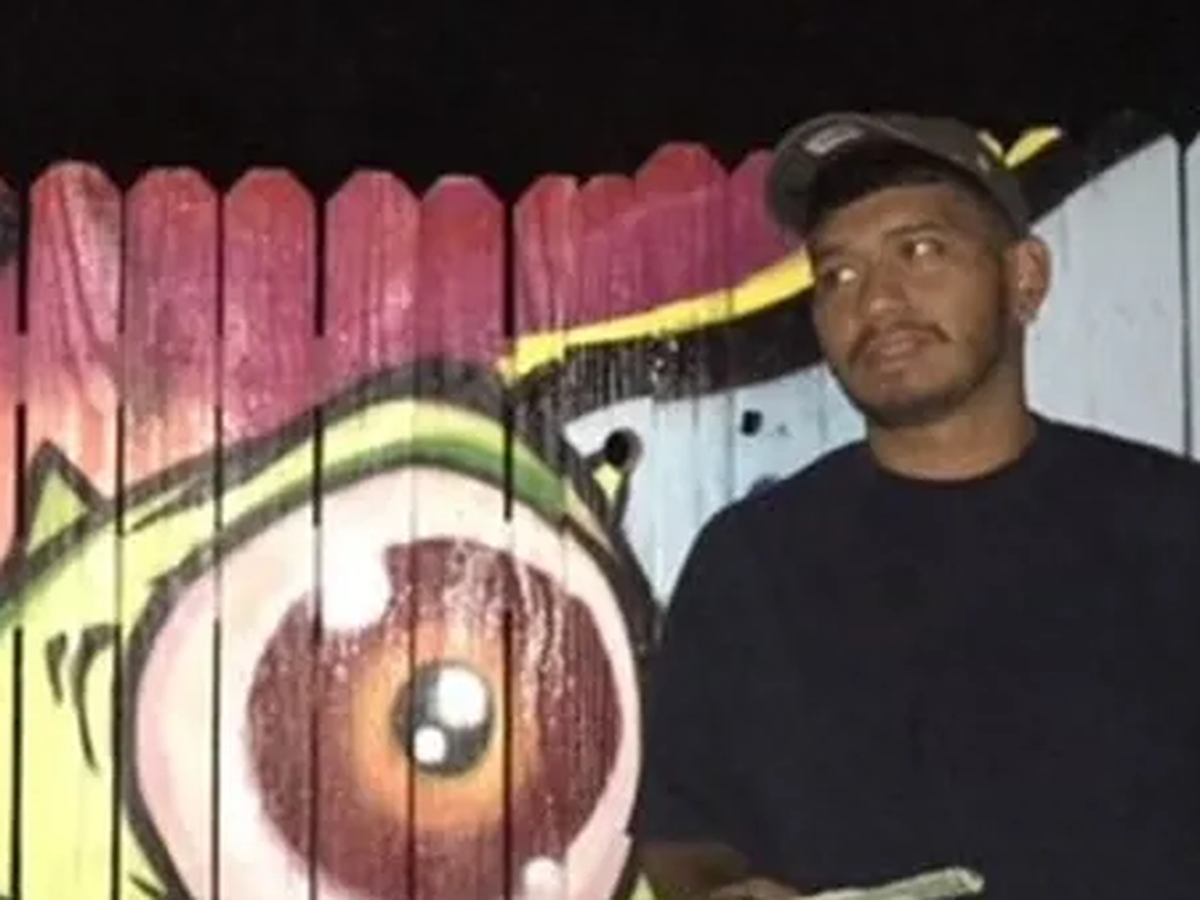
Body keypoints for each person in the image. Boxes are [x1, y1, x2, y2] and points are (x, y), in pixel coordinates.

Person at [633, 111, 1200, 900]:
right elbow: (684, 837)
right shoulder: (750, 564)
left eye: (922, 250)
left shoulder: (1172, 530)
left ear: (1025, 278)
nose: (878, 302)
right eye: (839, 274)